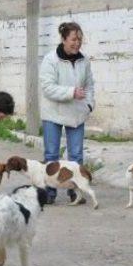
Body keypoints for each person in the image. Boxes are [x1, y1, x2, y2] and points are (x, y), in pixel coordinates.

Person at [39, 21, 95, 204]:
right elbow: (48, 88)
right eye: (73, 39)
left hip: (76, 114)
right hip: (53, 113)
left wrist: (89, 105)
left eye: (80, 39)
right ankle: (50, 193)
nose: (77, 43)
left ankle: (75, 193)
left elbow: (89, 85)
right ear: (63, 39)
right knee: (51, 156)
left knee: (76, 156)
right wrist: (71, 92)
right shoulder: (50, 60)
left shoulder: (84, 61)